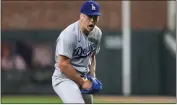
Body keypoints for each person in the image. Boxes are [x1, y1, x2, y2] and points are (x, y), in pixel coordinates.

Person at [52, 0, 102, 104]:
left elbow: (92, 56)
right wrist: (82, 82)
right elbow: (63, 64)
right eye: (89, 16)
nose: (92, 21)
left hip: (82, 77)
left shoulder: (97, 33)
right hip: (64, 78)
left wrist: (92, 77)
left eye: (95, 17)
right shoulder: (69, 34)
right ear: (81, 16)